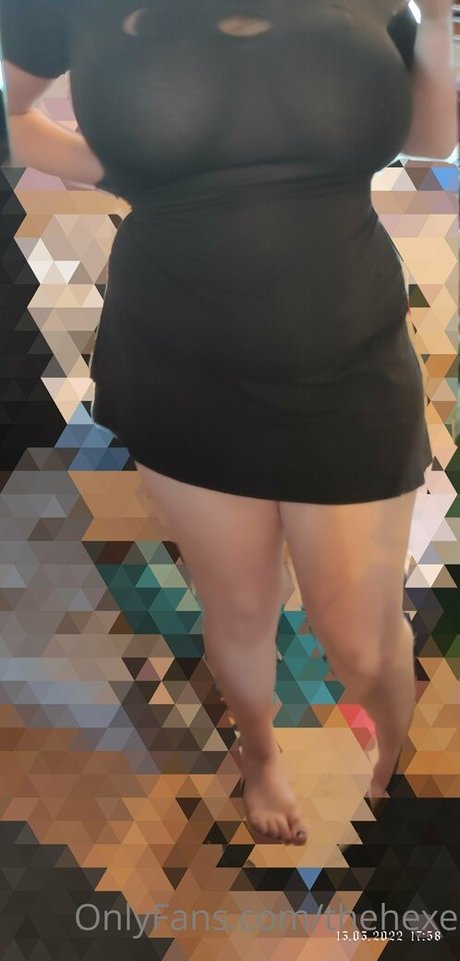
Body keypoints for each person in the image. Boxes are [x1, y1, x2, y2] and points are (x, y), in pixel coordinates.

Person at [1, 0, 456, 847]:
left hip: (349, 354)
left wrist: (435, 22)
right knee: (241, 605)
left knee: (362, 642)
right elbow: (14, 114)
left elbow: (428, 139)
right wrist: (123, 167)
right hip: (182, 357)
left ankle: (396, 759)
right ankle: (261, 754)